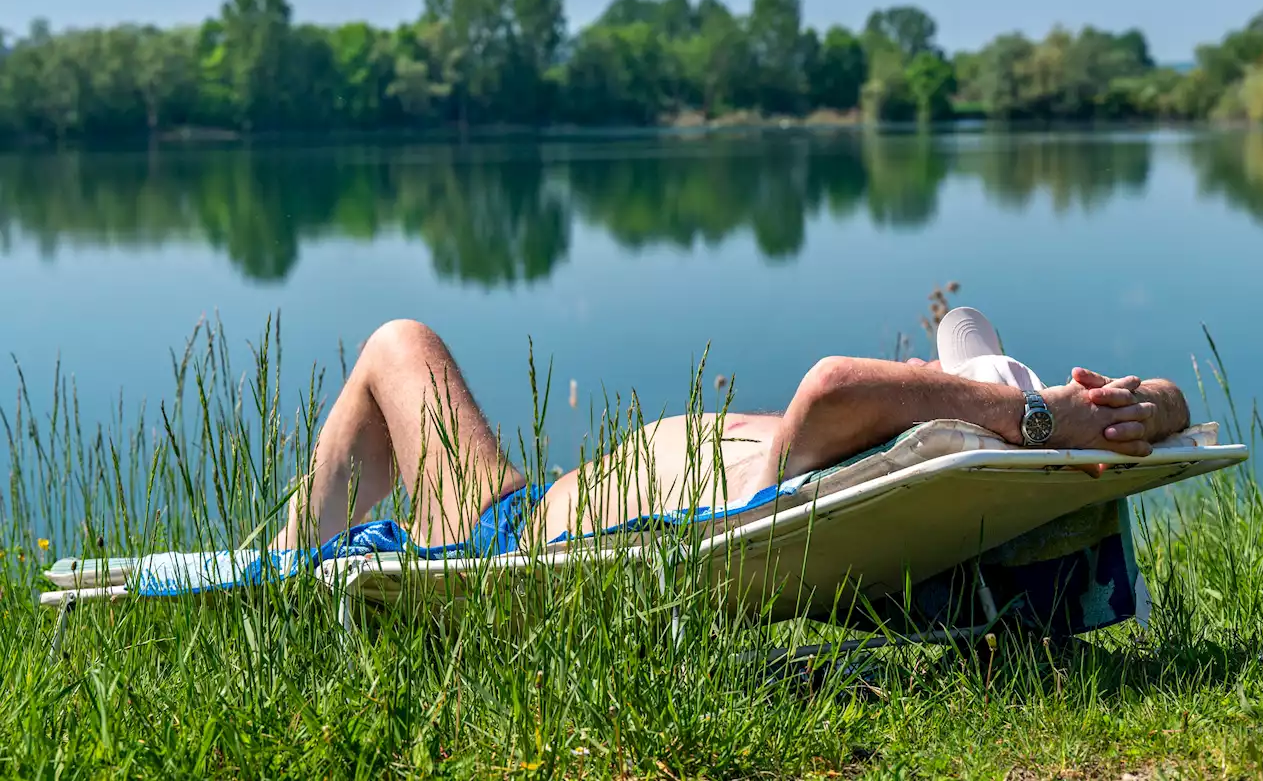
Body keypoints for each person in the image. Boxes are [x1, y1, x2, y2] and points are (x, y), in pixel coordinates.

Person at [270, 309, 1191, 555]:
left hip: (503, 534)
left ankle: (271, 568)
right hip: (530, 508)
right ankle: (285, 555)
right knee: (403, 357)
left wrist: (1036, 414)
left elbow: (831, 383)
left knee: (400, 343)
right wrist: (1158, 403)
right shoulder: (891, 441)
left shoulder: (850, 435)